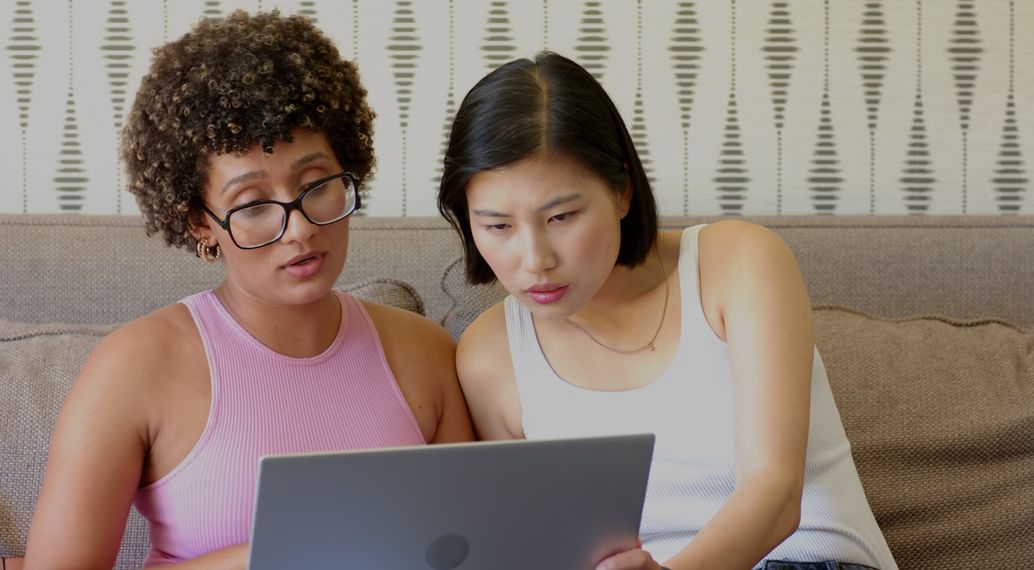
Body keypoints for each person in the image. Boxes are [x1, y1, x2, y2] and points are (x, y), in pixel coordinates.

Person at [21, 11, 474, 570]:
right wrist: (274, 555)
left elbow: (476, 546)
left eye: (316, 186)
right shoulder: (134, 367)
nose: (302, 228)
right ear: (199, 223)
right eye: (253, 204)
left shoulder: (427, 352)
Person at [437, 51, 897, 570]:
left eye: (561, 216)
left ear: (623, 191)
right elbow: (536, 544)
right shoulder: (489, 356)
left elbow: (776, 495)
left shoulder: (738, 262)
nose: (535, 260)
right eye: (497, 226)